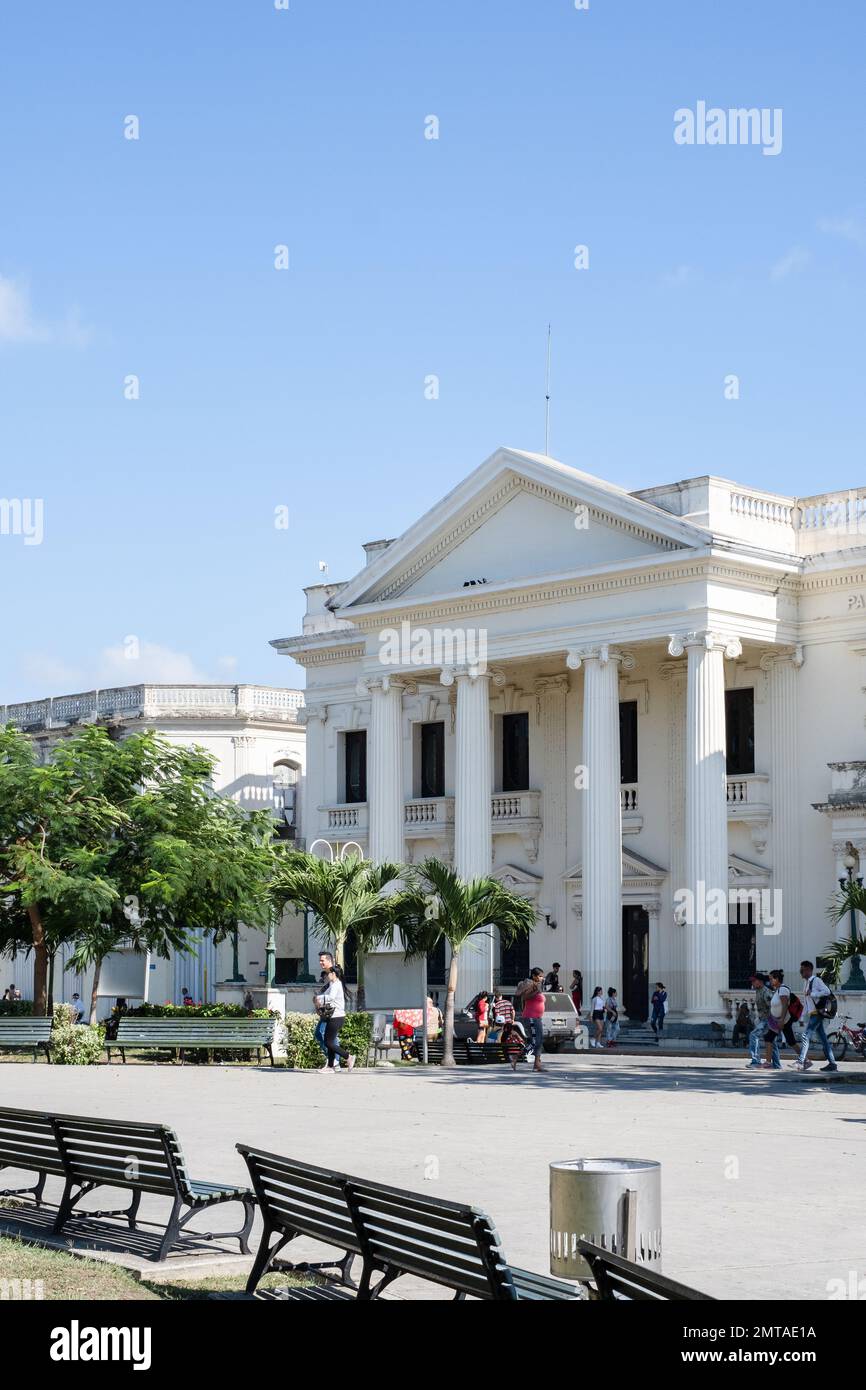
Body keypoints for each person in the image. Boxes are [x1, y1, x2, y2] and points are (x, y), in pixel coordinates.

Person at [791, 960, 838, 1073]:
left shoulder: (816, 980)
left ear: (808, 970)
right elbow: (807, 1002)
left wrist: (812, 993)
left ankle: (801, 1061)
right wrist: (801, 1017)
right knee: (824, 1040)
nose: (800, 971)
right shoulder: (806, 983)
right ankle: (832, 1064)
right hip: (813, 1013)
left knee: (805, 1036)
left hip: (817, 1013)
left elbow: (826, 991)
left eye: (802, 969)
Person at [315, 962, 355, 1073]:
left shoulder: (336, 985)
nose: (327, 975)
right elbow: (325, 995)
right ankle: (330, 1067)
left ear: (333, 974)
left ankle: (348, 1057)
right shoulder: (334, 984)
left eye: (328, 973)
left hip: (336, 1017)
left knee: (329, 1042)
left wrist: (318, 999)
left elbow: (330, 998)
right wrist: (318, 997)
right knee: (329, 1041)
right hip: (333, 1016)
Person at [513, 967, 545, 1073]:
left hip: (537, 1017)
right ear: (534, 976)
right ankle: (516, 1057)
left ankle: (537, 1064)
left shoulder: (538, 985)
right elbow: (525, 997)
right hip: (530, 1017)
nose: (542, 978)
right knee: (535, 1041)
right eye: (540, 976)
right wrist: (536, 991)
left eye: (542, 976)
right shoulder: (530, 984)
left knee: (539, 1041)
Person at [763, 969, 792, 1070]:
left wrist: (781, 1020)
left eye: (771, 979)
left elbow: (784, 1005)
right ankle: (768, 1062)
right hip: (776, 1020)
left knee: (791, 1041)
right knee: (769, 1038)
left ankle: (804, 1059)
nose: (770, 981)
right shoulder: (777, 989)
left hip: (782, 1020)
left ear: (777, 979)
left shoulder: (782, 989)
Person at [313, 951, 337, 1067]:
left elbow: (333, 994)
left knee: (324, 1034)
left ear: (329, 960)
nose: (320, 962)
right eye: (320, 960)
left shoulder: (334, 973)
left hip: (332, 1010)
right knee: (319, 1033)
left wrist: (319, 998)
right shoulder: (328, 973)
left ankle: (334, 1060)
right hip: (327, 1009)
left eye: (322, 960)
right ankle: (333, 1059)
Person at [746, 972, 772, 1068]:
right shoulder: (758, 990)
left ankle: (756, 1061)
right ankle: (776, 1065)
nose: (752, 983)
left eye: (754, 981)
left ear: (760, 982)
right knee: (770, 1041)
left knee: (753, 1035)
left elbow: (773, 1007)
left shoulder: (766, 992)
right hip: (765, 1019)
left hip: (768, 1019)